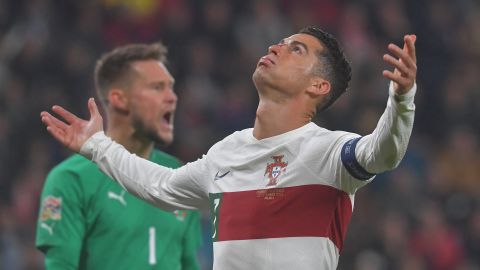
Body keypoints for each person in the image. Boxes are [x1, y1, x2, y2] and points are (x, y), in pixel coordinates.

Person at [40, 26, 417, 269]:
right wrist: (96, 146)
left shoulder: (330, 152)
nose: (276, 47)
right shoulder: (227, 153)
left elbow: (381, 153)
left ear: (318, 87)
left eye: (296, 49)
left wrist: (401, 99)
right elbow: (161, 186)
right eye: (281, 43)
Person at [35, 43, 202, 270]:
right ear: (119, 99)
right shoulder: (71, 178)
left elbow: (189, 263)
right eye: (157, 87)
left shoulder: (179, 175)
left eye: (171, 87)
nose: (172, 97)